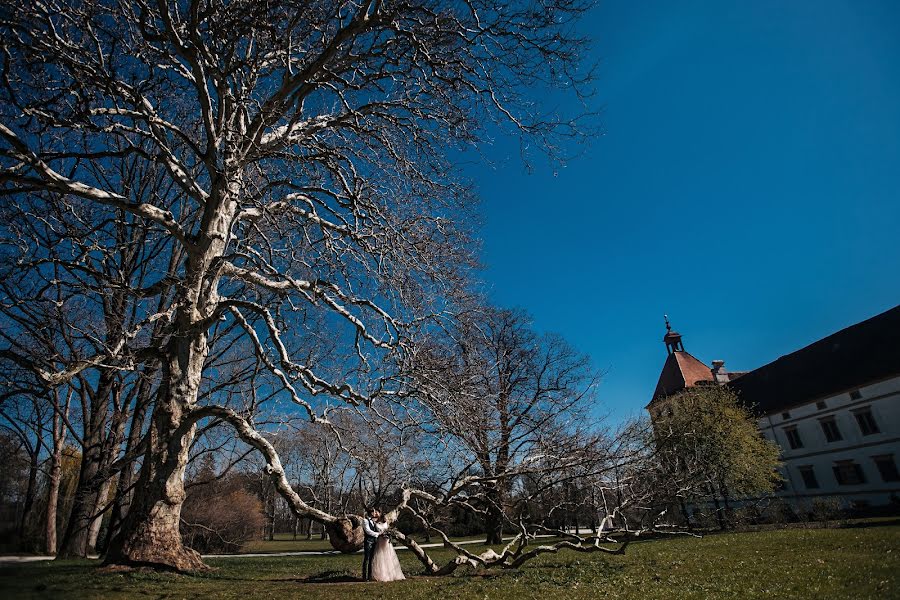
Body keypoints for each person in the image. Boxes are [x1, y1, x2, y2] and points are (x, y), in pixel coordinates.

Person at [371, 512, 405, 581]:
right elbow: (378, 531)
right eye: (383, 517)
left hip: (386, 541)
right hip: (380, 541)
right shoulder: (376, 524)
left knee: (388, 556)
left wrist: (388, 534)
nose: (384, 518)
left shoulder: (386, 523)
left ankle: (391, 574)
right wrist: (382, 534)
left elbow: (387, 530)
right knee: (380, 556)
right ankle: (381, 575)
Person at [361, 507, 381, 581]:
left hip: (374, 541)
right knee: (367, 558)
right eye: (374, 512)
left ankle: (369, 575)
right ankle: (364, 576)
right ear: (371, 512)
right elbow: (368, 531)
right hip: (368, 541)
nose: (375, 513)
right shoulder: (365, 520)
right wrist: (377, 534)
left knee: (371, 559)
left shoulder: (373, 521)